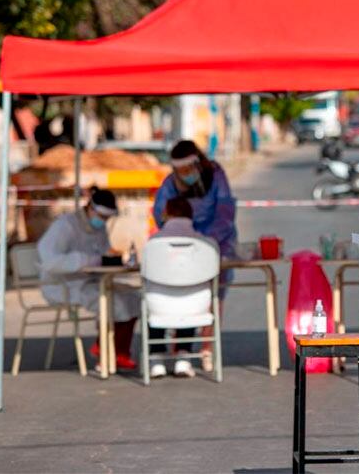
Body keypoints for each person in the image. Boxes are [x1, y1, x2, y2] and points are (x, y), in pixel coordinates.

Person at [152, 140, 237, 372]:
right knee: (181, 290)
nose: (184, 175)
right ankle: (181, 349)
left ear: (198, 163)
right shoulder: (170, 184)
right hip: (183, 244)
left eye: (188, 170)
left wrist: (205, 241)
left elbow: (225, 211)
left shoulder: (216, 176)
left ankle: (206, 348)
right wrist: (183, 234)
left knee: (214, 295)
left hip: (217, 242)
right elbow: (161, 214)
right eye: (180, 172)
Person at [37, 189, 141, 370]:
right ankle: (105, 353)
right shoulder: (65, 226)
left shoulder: (99, 229)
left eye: (106, 218)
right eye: (100, 216)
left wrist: (109, 260)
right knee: (115, 303)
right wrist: (83, 260)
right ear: (89, 208)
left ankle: (119, 352)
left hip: (92, 280)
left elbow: (103, 253)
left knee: (133, 296)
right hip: (63, 284)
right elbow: (49, 260)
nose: (102, 221)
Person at [147, 197, 214, 378]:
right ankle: (183, 359)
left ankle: (156, 360)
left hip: (158, 305)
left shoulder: (153, 243)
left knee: (155, 302)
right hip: (196, 305)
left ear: (166, 214)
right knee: (188, 295)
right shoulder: (206, 244)